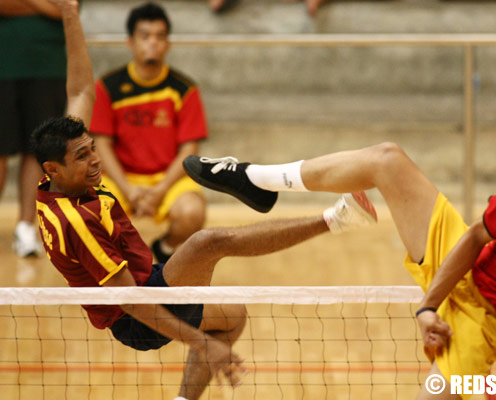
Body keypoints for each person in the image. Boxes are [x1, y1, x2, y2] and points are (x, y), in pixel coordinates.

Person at [32, 3, 377, 399]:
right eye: (83, 157)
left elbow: (78, 88)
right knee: (207, 243)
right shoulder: (77, 220)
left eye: (92, 149)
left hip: (147, 280)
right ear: (53, 168)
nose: (94, 161)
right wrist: (200, 343)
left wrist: (69, 13)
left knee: (231, 317)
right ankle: (336, 218)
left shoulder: (54, 176)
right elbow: (130, 302)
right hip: (135, 313)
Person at [182, 144, 496, 399]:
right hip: (458, 260)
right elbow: (474, 237)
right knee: (388, 159)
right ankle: (256, 179)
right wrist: (426, 308)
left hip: (483, 326)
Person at [90, 2, 208, 263]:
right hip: (121, 178)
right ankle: (115, 264)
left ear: (168, 43)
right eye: (145, 36)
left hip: (168, 179)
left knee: (193, 213)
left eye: (159, 36)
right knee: (90, 213)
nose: (152, 43)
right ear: (130, 42)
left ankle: (164, 250)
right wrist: (127, 189)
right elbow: (101, 144)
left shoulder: (184, 90)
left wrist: (161, 190)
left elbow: (189, 150)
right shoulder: (108, 87)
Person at [0, 0, 66, 257]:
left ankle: (25, 227)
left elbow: (66, 6)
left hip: (47, 64)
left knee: (37, 150)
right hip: (3, 64)